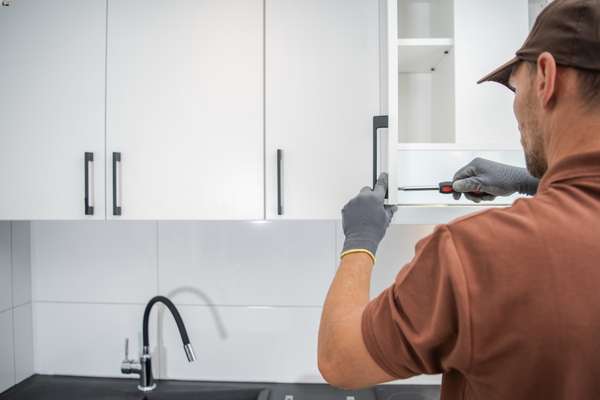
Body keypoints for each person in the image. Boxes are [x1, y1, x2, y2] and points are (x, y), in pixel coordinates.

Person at [317, 0, 600, 398]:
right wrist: (533, 183)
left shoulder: (476, 254)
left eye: (515, 88)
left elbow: (338, 358)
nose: (516, 108)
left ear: (546, 78)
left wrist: (359, 242)